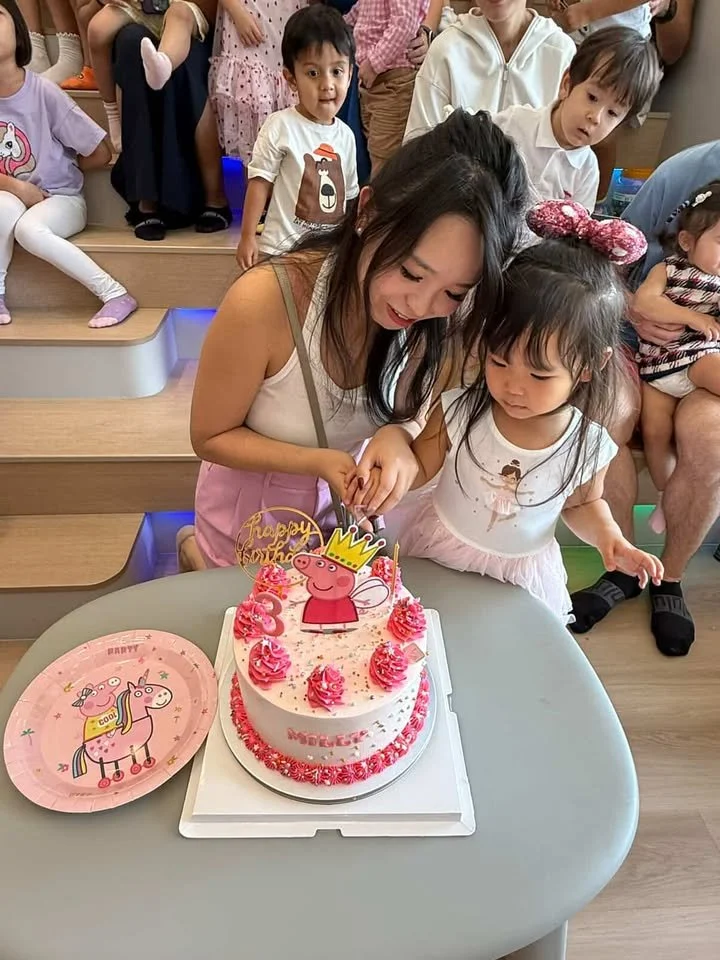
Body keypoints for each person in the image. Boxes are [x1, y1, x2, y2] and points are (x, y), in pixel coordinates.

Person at [184, 109, 529, 571]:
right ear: (366, 211)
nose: (419, 306)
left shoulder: (440, 322)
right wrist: (319, 462)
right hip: (249, 522)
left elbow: (420, 411)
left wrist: (397, 436)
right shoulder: (265, 302)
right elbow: (210, 436)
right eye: (410, 272)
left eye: (453, 292)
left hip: (336, 520)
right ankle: (192, 549)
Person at [350, 200, 661, 622]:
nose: (513, 387)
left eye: (539, 375)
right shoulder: (461, 409)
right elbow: (420, 466)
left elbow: (582, 505)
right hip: (440, 549)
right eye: (498, 362)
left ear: (590, 366)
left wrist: (609, 537)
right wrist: (385, 483)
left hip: (521, 572)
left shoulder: (587, 444)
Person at [570, 146, 720, 657]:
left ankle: (670, 578)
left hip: (708, 357)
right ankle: (621, 565)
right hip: (635, 340)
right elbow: (612, 249)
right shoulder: (686, 171)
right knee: (606, 412)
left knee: (712, 440)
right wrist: (633, 308)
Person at [0, 0, 137, 327]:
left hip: (61, 199)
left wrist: (56, 168)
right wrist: (17, 186)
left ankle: (115, 293)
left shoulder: (43, 92)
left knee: (29, 229)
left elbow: (100, 152)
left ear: (19, 34)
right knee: (3, 208)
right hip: (12, 196)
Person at [236, 5, 357, 270]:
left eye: (337, 71)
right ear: (291, 78)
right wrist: (247, 237)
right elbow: (259, 183)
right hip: (281, 251)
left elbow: (348, 199)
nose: (327, 84)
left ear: (350, 74)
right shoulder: (281, 126)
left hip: (326, 254)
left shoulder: (347, 137)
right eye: (313, 73)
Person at [492, 26, 661, 212]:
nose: (595, 117)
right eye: (592, 97)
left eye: (612, 113)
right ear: (567, 84)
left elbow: (576, 232)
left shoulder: (587, 171)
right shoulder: (512, 123)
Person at [634, 183, 720, 536]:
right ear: (687, 242)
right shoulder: (668, 270)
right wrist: (692, 317)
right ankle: (665, 496)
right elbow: (643, 303)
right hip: (657, 364)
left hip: (699, 355)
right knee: (654, 432)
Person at [110, 23, 231, 241]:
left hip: (197, 21)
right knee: (131, 42)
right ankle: (146, 198)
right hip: (141, 16)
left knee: (187, 57)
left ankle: (214, 196)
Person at [403, 0, 575, 142]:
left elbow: (567, 156)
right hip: (456, 183)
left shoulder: (560, 53)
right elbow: (417, 149)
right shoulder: (446, 50)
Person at [85, 0, 214, 151]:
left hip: (180, 6)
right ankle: (112, 112)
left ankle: (163, 63)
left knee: (180, 15)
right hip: (139, 6)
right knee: (97, 29)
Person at [209, 0, 305, 165]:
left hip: (288, 16)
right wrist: (235, 9)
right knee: (251, 110)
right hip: (247, 15)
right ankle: (251, 188)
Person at [345, 0, 427, 175]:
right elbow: (361, 9)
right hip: (374, 83)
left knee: (384, 162)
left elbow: (405, 22)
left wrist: (374, 64)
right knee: (375, 152)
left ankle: (376, 201)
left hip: (393, 82)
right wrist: (335, 25)